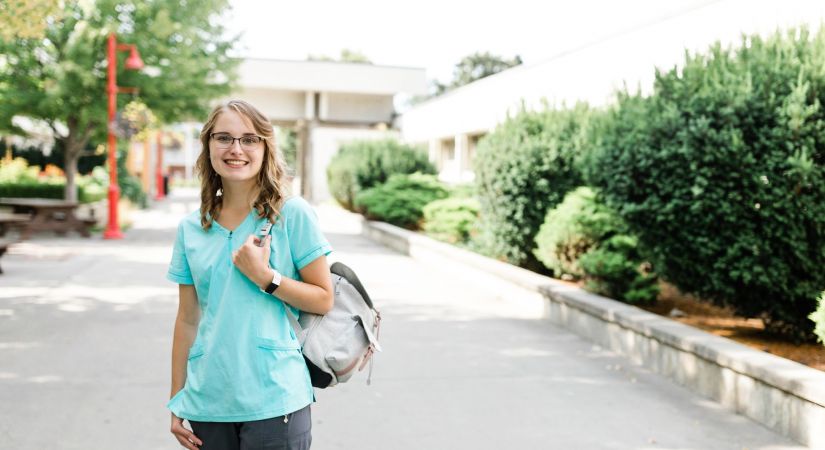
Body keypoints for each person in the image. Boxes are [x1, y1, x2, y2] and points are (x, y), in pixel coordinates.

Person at [167, 100, 334, 450]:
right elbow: (187, 320)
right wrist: (177, 399)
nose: (236, 149)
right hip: (208, 401)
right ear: (208, 145)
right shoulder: (191, 228)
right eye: (224, 138)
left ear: (265, 147)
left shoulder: (292, 214)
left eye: (249, 139)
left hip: (275, 398)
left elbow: (323, 298)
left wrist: (266, 277)